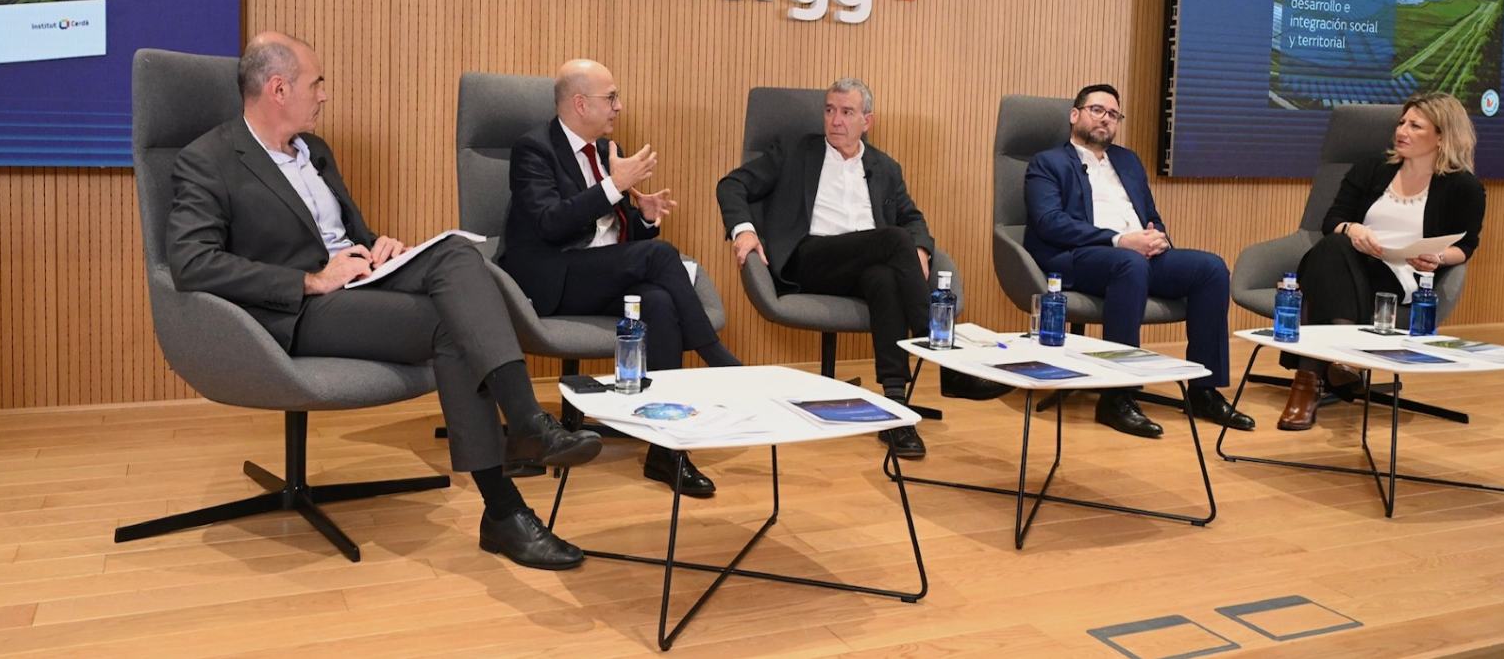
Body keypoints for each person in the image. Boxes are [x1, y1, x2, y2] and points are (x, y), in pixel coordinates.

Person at [167, 32, 600, 571]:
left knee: (461, 258)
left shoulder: (314, 152)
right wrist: (309, 280)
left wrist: (376, 247)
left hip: (357, 279)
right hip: (297, 308)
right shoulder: (207, 159)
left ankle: (529, 426)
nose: (324, 94)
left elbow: (341, 232)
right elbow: (190, 262)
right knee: (451, 328)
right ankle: (504, 509)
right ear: (278, 89)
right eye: (316, 83)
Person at [500, 58, 741, 497]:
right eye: (610, 98)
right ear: (579, 103)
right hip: (553, 276)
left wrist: (643, 216)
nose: (619, 106)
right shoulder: (534, 148)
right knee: (661, 256)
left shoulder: (607, 150)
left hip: (601, 274)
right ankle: (719, 361)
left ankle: (665, 452)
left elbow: (615, 228)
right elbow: (551, 224)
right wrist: (614, 187)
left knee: (661, 304)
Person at [716, 78, 939, 459]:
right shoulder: (795, 151)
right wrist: (745, 230)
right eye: (830, 110)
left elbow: (911, 217)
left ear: (867, 120)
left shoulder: (885, 167)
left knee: (885, 277)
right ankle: (938, 345)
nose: (835, 120)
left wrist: (920, 246)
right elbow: (732, 185)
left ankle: (897, 409)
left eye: (847, 112)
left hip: (862, 264)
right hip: (809, 258)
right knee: (893, 241)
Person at [1022, 83, 1255, 438]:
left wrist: (1156, 238)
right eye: (1097, 110)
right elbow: (1049, 222)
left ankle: (1205, 390)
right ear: (1075, 115)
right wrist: (1120, 240)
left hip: (1138, 255)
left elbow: (1150, 214)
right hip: (1079, 255)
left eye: (1113, 114)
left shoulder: (1127, 161)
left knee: (1210, 268)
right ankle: (1117, 396)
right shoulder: (1048, 162)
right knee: (1127, 264)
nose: (1105, 119)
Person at [1280, 92, 1486, 430]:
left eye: (1415, 125)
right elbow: (1332, 219)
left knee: (1326, 264)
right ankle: (1341, 360)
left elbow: (1466, 246)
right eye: (1401, 123)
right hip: (1353, 263)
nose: (1402, 131)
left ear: (1442, 136)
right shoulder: (1373, 169)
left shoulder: (1463, 187)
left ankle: (1307, 385)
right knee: (1335, 247)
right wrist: (1354, 229)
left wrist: (1438, 257)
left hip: (1401, 276)